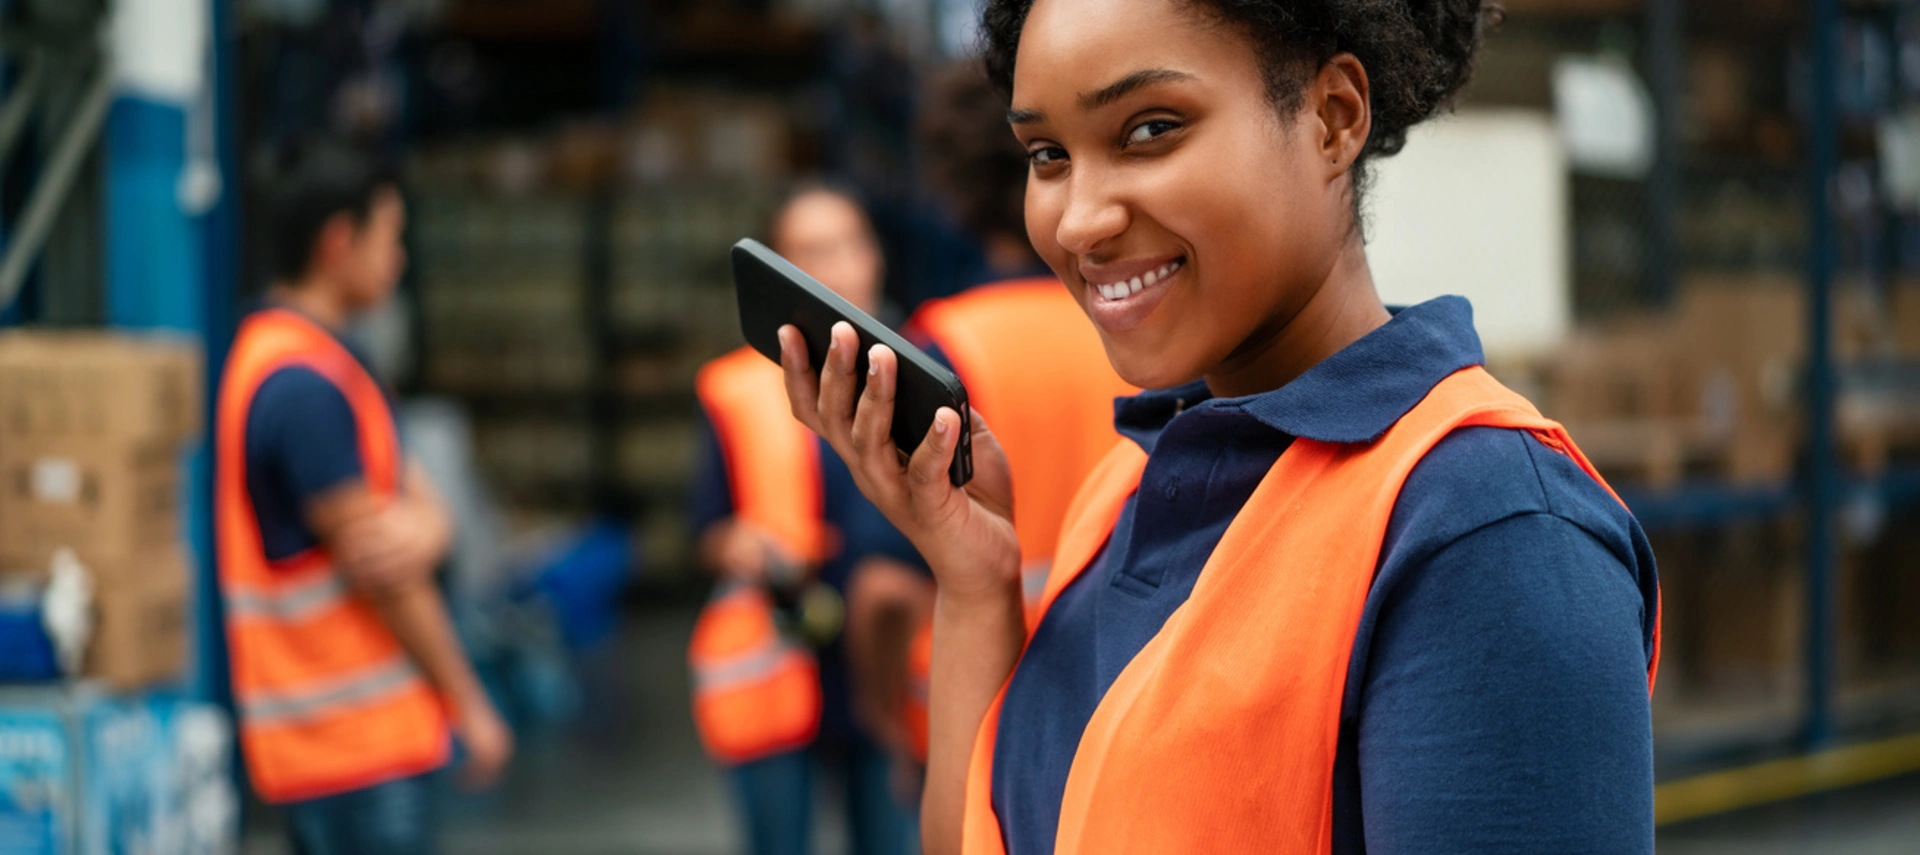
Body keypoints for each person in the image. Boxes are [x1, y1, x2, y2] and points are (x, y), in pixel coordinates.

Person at [777, 1, 1663, 854]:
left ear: (1332, 118)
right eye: (1047, 154)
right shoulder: (1123, 491)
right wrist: (974, 586)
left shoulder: (1489, 530)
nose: (1079, 219)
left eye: (1150, 129)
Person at [214, 141, 512, 855]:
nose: (398, 259)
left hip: (333, 747)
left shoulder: (313, 356)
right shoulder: (303, 388)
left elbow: (409, 490)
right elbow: (386, 567)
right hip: (352, 749)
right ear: (338, 242)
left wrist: (432, 522)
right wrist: (469, 703)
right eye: (389, 238)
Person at [842, 60, 1138, 771]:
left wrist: (879, 709)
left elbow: (885, 593)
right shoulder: (1146, 332)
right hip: (1124, 704)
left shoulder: (939, 350)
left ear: (960, 183)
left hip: (981, 723)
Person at [688, 184, 922, 855]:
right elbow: (708, 525)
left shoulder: (930, 371)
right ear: (779, 269)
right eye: (814, 250)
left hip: (886, 665)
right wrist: (740, 546)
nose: (841, 264)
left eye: (853, 243)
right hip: (783, 658)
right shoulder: (733, 389)